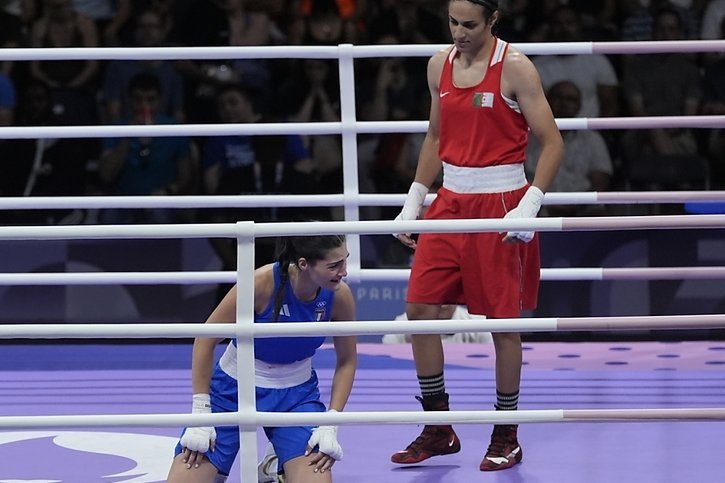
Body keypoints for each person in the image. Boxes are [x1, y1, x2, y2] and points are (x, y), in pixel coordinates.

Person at [390, 0, 563, 472]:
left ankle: (506, 434)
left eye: (470, 24)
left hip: (501, 202)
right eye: (453, 23)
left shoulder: (517, 68)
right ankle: (438, 427)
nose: (460, 33)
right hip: (449, 202)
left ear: (492, 21)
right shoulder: (437, 65)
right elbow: (434, 136)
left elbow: (552, 141)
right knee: (420, 311)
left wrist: (530, 203)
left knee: (502, 324)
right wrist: (414, 200)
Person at [166, 233, 357, 483]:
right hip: (231, 392)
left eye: (345, 261)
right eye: (334, 265)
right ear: (303, 264)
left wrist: (331, 423)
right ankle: (275, 461)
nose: (344, 271)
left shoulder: (339, 295)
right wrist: (201, 412)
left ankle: (276, 462)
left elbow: (347, 361)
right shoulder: (260, 283)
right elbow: (205, 339)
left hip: (296, 398)